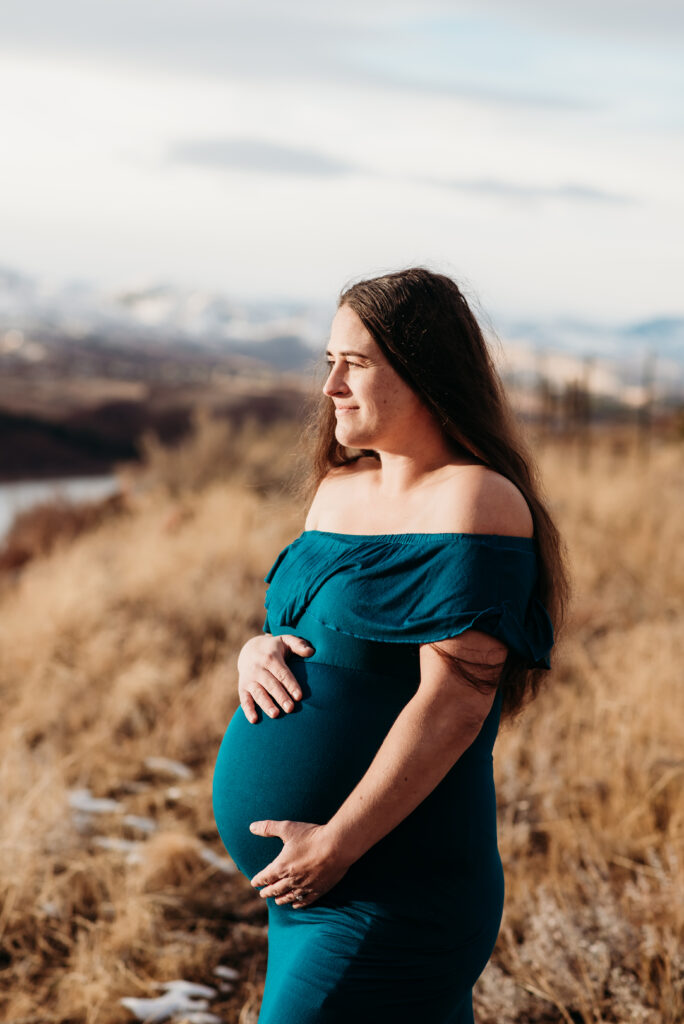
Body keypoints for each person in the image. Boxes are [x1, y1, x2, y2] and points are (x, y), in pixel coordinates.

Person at [212, 266, 570, 1023]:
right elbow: (308, 633)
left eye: (357, 363)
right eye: (328, 363)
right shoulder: (337, 491)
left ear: (425, 370)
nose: (330, 386)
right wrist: (256, 650)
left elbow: (454, 705)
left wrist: (335, 846)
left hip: (388, 883)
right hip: (306, 885)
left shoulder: (475, 500)